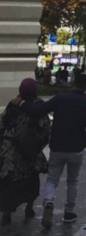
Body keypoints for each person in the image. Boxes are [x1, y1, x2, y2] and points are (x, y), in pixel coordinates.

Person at [15, 74, 86, 229]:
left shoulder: (61, 99)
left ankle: (48, 204)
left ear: (73, 82)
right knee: (73, 181)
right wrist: (83, 143)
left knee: (52, 179)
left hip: (57, 147)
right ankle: (69, 213)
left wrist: (21, 104)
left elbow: (38, 110)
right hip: (76, 150)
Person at [0, 79, 50, 225]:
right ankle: (29, 207)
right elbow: (46, 128)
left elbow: (2, 124)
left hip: (11, 152)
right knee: (31, 180)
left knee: (9, 182)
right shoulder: (39, 107)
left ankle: (7, 213)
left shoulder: (13, 104)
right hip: (31, 153)